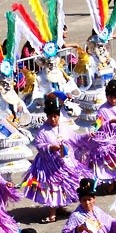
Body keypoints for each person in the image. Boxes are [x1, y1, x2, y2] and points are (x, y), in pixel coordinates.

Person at [24, 95, 91, 223]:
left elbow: (75, 139)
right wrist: (51, 147)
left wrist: (87, 136)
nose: (53, 119)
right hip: (49, 166)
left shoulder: (64, 127)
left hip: (65, 162)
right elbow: (39, 145)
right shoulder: (43, 131)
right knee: (52, 187)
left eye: (55, 116)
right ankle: (52, 213)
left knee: (66, 185)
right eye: (51, 117)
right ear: (47, 116)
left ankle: (60, 207)